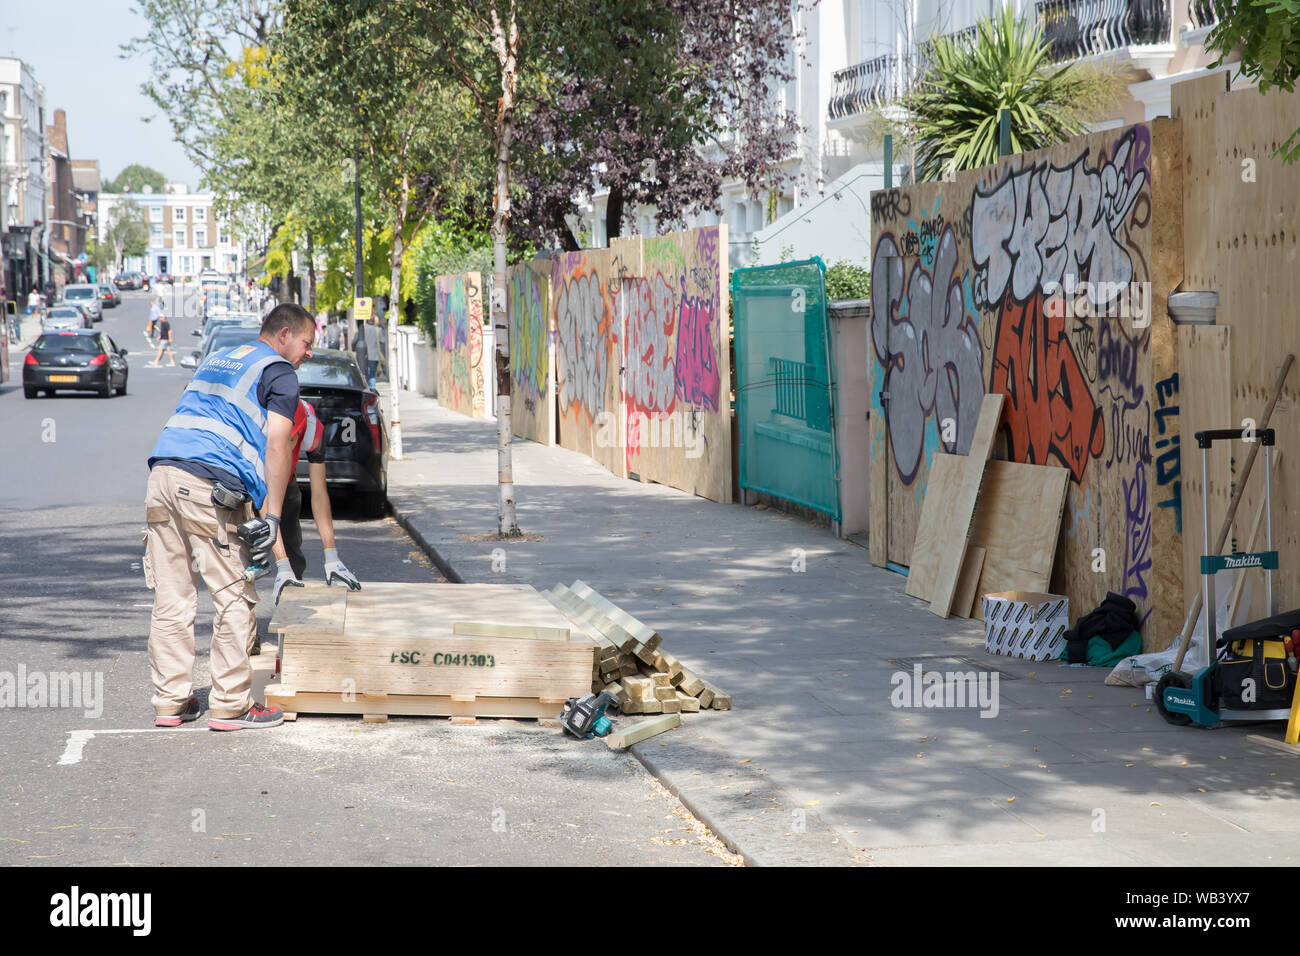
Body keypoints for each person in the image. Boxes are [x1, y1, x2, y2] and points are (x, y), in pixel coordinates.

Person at [143, 303, 316, 731]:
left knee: (173, 596)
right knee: (234, 594)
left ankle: (170, 701)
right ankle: (231, 704)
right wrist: (273, 516)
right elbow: (277, 445)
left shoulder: (220, 359)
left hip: (163, 476)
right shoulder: (279, 371)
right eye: (307, 343)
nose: (309, 353)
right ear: (283, 335)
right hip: (208, 487)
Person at [251, 399, 362, 654]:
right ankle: (245, 638)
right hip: (250, 480)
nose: (288, 447)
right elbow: (266, 502)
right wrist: (280, 564)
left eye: (293, 440)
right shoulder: (258, 425)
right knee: (245, 562)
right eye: (284, 440)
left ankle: (292, 637)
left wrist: (331, 555)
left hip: (286, 483)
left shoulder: (311, 424)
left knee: (294, 562)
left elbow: (319, 493)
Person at [362, 316, 380, 390]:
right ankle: (372, 388)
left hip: (364, 355)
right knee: (372, 373)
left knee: (365, 373)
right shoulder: (378, 330)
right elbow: (382, 341)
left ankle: (368, 388)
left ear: (366, 321)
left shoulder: (362, 329)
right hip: (374, 355)